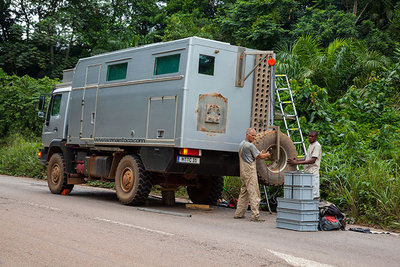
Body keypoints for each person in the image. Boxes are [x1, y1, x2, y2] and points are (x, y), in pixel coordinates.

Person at [234, 128, 271, 222]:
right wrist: (267, 154)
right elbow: (261, 157)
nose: (254, 138)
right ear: (247, 135)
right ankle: (255, 215)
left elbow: (255, 155)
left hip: (243, 171)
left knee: (244, 192)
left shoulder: (241, 144)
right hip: (250, 171)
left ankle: (239, 213)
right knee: (254, 193)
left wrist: (260, 154)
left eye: (255, 135)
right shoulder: (250, 146)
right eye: (252, 136)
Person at [287, 130, 322, 199]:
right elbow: (306, 158)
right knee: (307, 193)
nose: (310, 138)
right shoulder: (311, 145)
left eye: (312, 136)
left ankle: (315, 208)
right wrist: (296, 161)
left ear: (316, 137)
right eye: (309, 136)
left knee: (314, 195)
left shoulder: (317, 146)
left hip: (313, 173)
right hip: (308, 173)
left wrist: (297, 163)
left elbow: (312, 160)